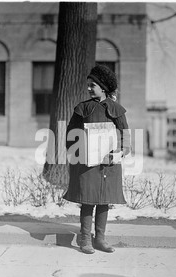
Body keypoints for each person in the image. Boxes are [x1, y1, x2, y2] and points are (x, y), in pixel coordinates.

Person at [63, 64, 131, 254]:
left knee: (104, 200)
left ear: (103, 87)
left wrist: (122, 151)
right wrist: (78, 150)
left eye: (93, 85)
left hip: (108, 163)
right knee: (88, 200)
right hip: (87, 163)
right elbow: (71, 135)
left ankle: (100, 238)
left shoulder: (116, 109)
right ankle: (85, 239)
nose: (89, 88)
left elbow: (125, 134)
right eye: (88, 85)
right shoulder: (82, 108)